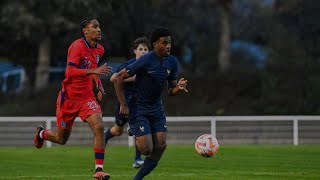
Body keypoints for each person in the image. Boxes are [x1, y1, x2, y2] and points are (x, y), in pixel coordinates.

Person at [33, 17, 112, 180]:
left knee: (99, 126)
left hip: (86, 97)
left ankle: (98, 170)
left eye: (100, 27)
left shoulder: (100, 50)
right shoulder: (77, 46)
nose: (99, 30)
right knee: (61, 139)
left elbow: (93, 72)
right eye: (95, 27)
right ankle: (42, 134)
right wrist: (93, 72)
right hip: (68, 99)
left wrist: (99, 86)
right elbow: (70, 72)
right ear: (85, 30)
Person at [112, 27, 188, 180]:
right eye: (164, 43)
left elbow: (170, 90)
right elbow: (118, 78)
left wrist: (178, 88)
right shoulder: (145, 60)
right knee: (146, 150)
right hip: (138, 107)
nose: (168, 46)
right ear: (155, 44)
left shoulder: (172, 61)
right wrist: (123, 104)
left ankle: (137, 178)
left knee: (161, 146)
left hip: (156, 108)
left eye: (170, 43)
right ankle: (134, 128)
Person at [104, 37, 150, 168]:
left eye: (146, 49)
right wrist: (132, 78)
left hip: (140, 105)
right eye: (140, 49)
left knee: (140, 130)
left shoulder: (150, 66)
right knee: (118, 131)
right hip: (124, 104)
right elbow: (113, 78)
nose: (143, 51)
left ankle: (137, 159)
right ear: (135, 51)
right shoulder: (128, 65)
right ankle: (104, 137)